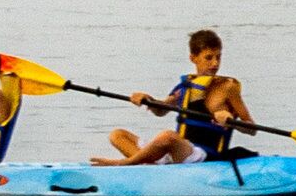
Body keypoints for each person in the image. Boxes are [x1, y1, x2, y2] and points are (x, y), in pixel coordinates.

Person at [100, 29, 247, 166]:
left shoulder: (228, 87)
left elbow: (251, 129)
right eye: (208, 58)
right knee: (117, 135)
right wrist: (147, 100)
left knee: (168, 136)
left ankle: (124, 164)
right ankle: (151, 167)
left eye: (218, 57)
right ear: (193, 58)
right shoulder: (186, 86)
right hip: (177, 150)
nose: (215, 63)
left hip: (204, 155)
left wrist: (231, 122)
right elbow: (161, 110)